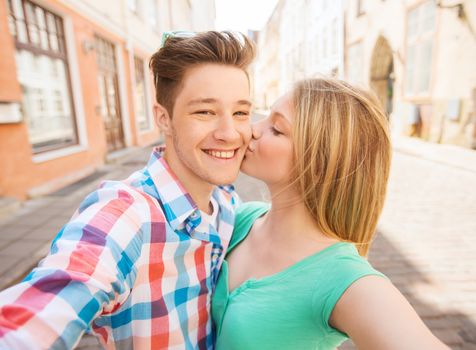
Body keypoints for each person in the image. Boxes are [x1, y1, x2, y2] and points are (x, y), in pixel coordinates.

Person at [0, 31, 255, 349]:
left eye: (241, 113)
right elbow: (53, 297)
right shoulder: (127, 214)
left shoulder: (228, 203)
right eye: (205, 111)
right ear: (164, 118)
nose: (230, 133)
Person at [212, 78, 449, 349]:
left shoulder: (342, 278)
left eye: (276, 129)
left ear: (320, 162)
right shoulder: (242, 218)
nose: (252, 130)